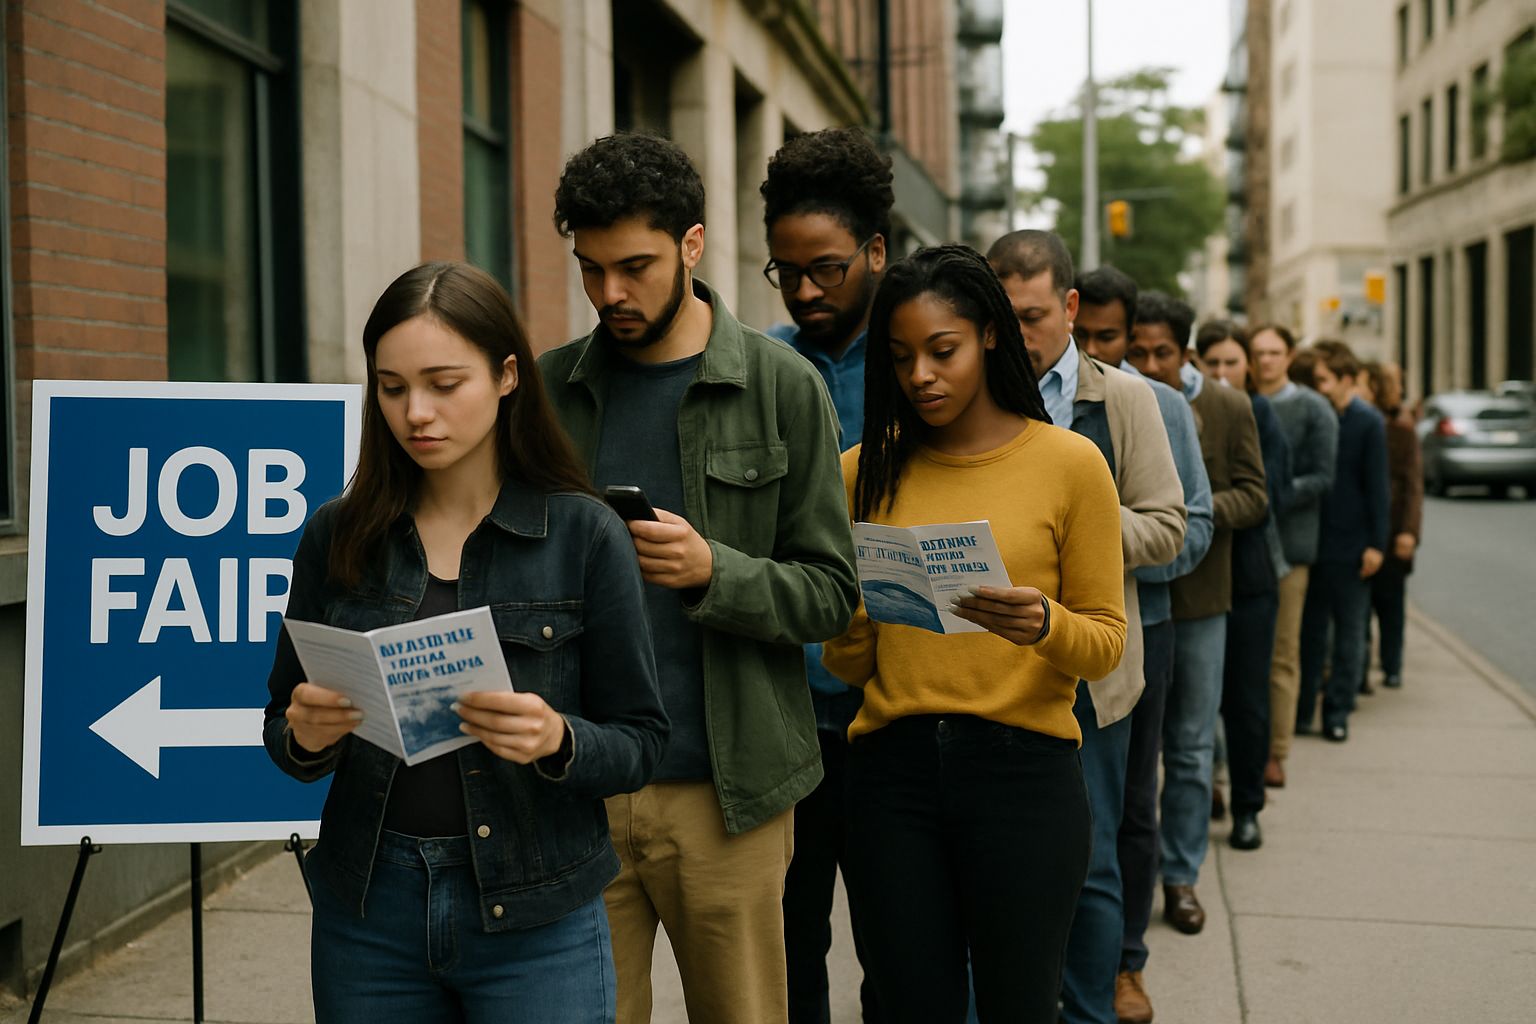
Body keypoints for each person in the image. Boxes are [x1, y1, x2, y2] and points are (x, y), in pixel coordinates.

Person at [262, 261, 670, 1022]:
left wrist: (558, 738)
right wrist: (307, 735)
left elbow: (641, 741)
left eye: (444, 384)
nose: (416, 412)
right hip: (368, 907)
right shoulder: (337, 534)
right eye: (391, 387)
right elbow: (281, 728)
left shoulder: (583, 534)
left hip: (538, 914)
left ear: (507, 374)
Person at [540, 131, 860, 1024]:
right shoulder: (549, 388)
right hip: (580, 786)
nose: (610, 292)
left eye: (634, 265)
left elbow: (833, 594)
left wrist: (715, 571)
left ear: (692, 243)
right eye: (590, 268)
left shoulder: (782, 385)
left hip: (730, 793)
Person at [824, 244, 1128, 1024]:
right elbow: (847, 659)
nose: (920, 374)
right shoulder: (863, 471)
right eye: (900, 357)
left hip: (1023, 774)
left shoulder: (1071, 464)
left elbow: (1105, 642)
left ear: (990, 335)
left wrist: (1042, 624)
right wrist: (858, 609)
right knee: (906, 1004)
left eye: (941, 350)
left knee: (1020, 1006)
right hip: (891, 776)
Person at [986, 234, 1186, 1024]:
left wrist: (1074, 540)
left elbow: (1168, 528)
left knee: (1093, 859)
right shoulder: (977, 394)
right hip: (997, 670)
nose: (1018, 332)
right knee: (1003, 864)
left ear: (1070, 307)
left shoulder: (1127, 399)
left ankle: (1092, 1010)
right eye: (1002, 316)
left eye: (1033, 315)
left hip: (1095, 675)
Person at [760, 125, 891, 1024]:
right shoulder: (758, 367)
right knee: (787, 948)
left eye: (828, 270)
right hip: (786, 717)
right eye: (786, 272)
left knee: (900, 947)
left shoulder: (927, 363)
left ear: (877, 251)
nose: (805, 291)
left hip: (900, 713)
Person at [1074, 265, 1214, 1024]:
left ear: (1131, 336)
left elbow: (1191, 529)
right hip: (1051, 634)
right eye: (1081, 333)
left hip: (1143, 628)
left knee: (1130, 804)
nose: (1091, 346)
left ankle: (1127, 963)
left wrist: (1086, 545)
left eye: (1107, 335)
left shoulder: (1156, 405)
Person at [1125, 292, 1267, 937]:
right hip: (1136, 602)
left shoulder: (1226, 404)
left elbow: (1254, 492)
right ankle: (1133, 870)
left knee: (1189, 747)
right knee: (1134, 752)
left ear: (1185, 352)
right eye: (1138, 351)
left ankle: (1180, 877)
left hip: (1202, 600)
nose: (1149, 363)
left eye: (1162, 352)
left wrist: (1190, 521)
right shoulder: (1121, 403)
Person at [1195, 321, 1293, 851]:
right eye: (1213, 364)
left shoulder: (1260, 415)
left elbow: (1266, 491)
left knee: (1246, 701)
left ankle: (1248, 805)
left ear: (1248, 367)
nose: (1223, 373)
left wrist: (1202, 506)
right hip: (1198, 577)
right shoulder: (1188, 411)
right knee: (1196, 702)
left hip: (1251, 579)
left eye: (1232, 363)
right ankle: (1208, 786)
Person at [1249, 324, 1337, 787]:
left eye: (1274, 352)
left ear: (1289, 356)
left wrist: (1272, 494)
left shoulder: (1312, 407)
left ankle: (1275, 752)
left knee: (1282, 655)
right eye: (1258, 352)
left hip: (1290, 546)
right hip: (1242, 546)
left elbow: (1324, 474)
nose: (1265, 360)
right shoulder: (1239, 402)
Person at [1296, 343, 1390, 741]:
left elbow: (1378, 488)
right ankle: (1302, 712)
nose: (1317, 388)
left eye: (1323, 380)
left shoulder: (1367, 423)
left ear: (1346, 380)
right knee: (1311, 634)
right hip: (1314, 541)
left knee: (1349, 635)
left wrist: (1376, 544)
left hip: (1352, 545)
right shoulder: (1315, 417)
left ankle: (1337, 712)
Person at [1360, 361, 1423, 691]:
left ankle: (1392, 664)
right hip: (1363, 528)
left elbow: (1413, 483)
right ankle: (1360, 670)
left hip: (1394, 524)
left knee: (1390, 604)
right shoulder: (1352, 422)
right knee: (1360, 608)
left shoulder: (1401, 427)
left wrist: (1409, 532)